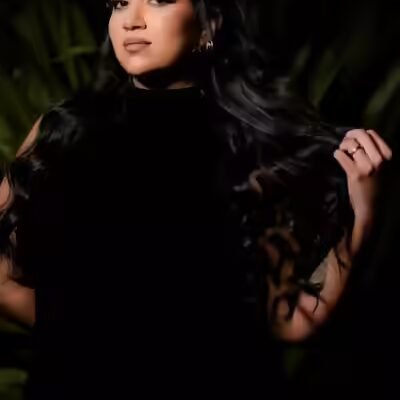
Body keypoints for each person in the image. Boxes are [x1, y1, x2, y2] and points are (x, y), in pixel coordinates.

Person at [0, 0, 392, 398]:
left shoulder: (250, 149)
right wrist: (90, 338)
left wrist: (363, 211)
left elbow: (290, 318)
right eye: (120, 3)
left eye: (159, 1)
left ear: (210, 24)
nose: (132, 21)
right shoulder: (60, 132)